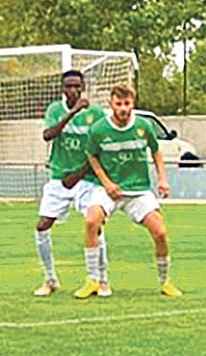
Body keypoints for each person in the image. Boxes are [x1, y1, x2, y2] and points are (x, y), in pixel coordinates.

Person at [76, 83, 181, 299]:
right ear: (111, 104)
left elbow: (156, 152)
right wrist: (106, 183)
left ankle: (165, 282)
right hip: (109, 190)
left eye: (127, 103)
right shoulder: (98, 129)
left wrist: (162, 178)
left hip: (138, 190)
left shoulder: (143, 126)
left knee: (160, 233)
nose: (123, 108)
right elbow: (92, 156)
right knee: (91, 221)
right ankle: (92, 280)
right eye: (119, 104)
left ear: (133, 103)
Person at [33, 70, 108, 296]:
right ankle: (50, 279)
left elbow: (100, 148)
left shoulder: (96, 113)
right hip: (59, 177)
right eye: (68, 86)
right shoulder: (55, 110)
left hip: (86, 179)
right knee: (42, 225)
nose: (73, 90)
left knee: (95, 225)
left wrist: (79, 173)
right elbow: (48, 135)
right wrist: (72, 112)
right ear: (62, 89)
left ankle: (101, 280)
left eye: (76, 86)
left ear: (83, 87)